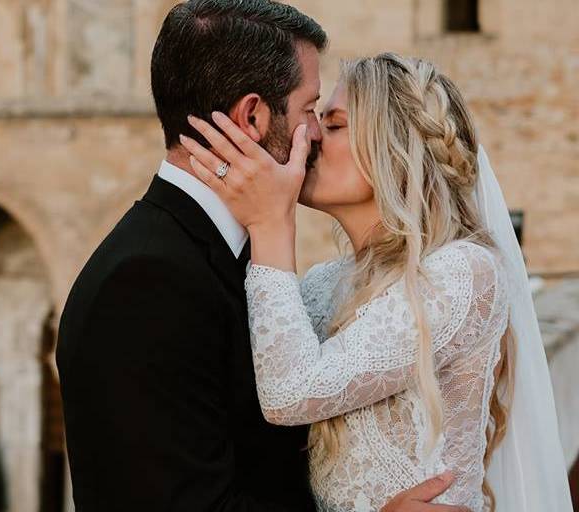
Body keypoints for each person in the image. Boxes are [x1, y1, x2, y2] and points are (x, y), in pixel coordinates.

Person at [56, 2, 466, 511]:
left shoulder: (233, 258)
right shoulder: (142, 282)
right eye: (309, 110)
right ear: (252, 116)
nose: (314, 133)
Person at [181, 52, 573, 511]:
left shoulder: (463, 273)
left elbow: (290, 393)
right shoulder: (321, 285)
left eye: (335, 124)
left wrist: (270, 223)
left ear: (395, 147)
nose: (309, 135)